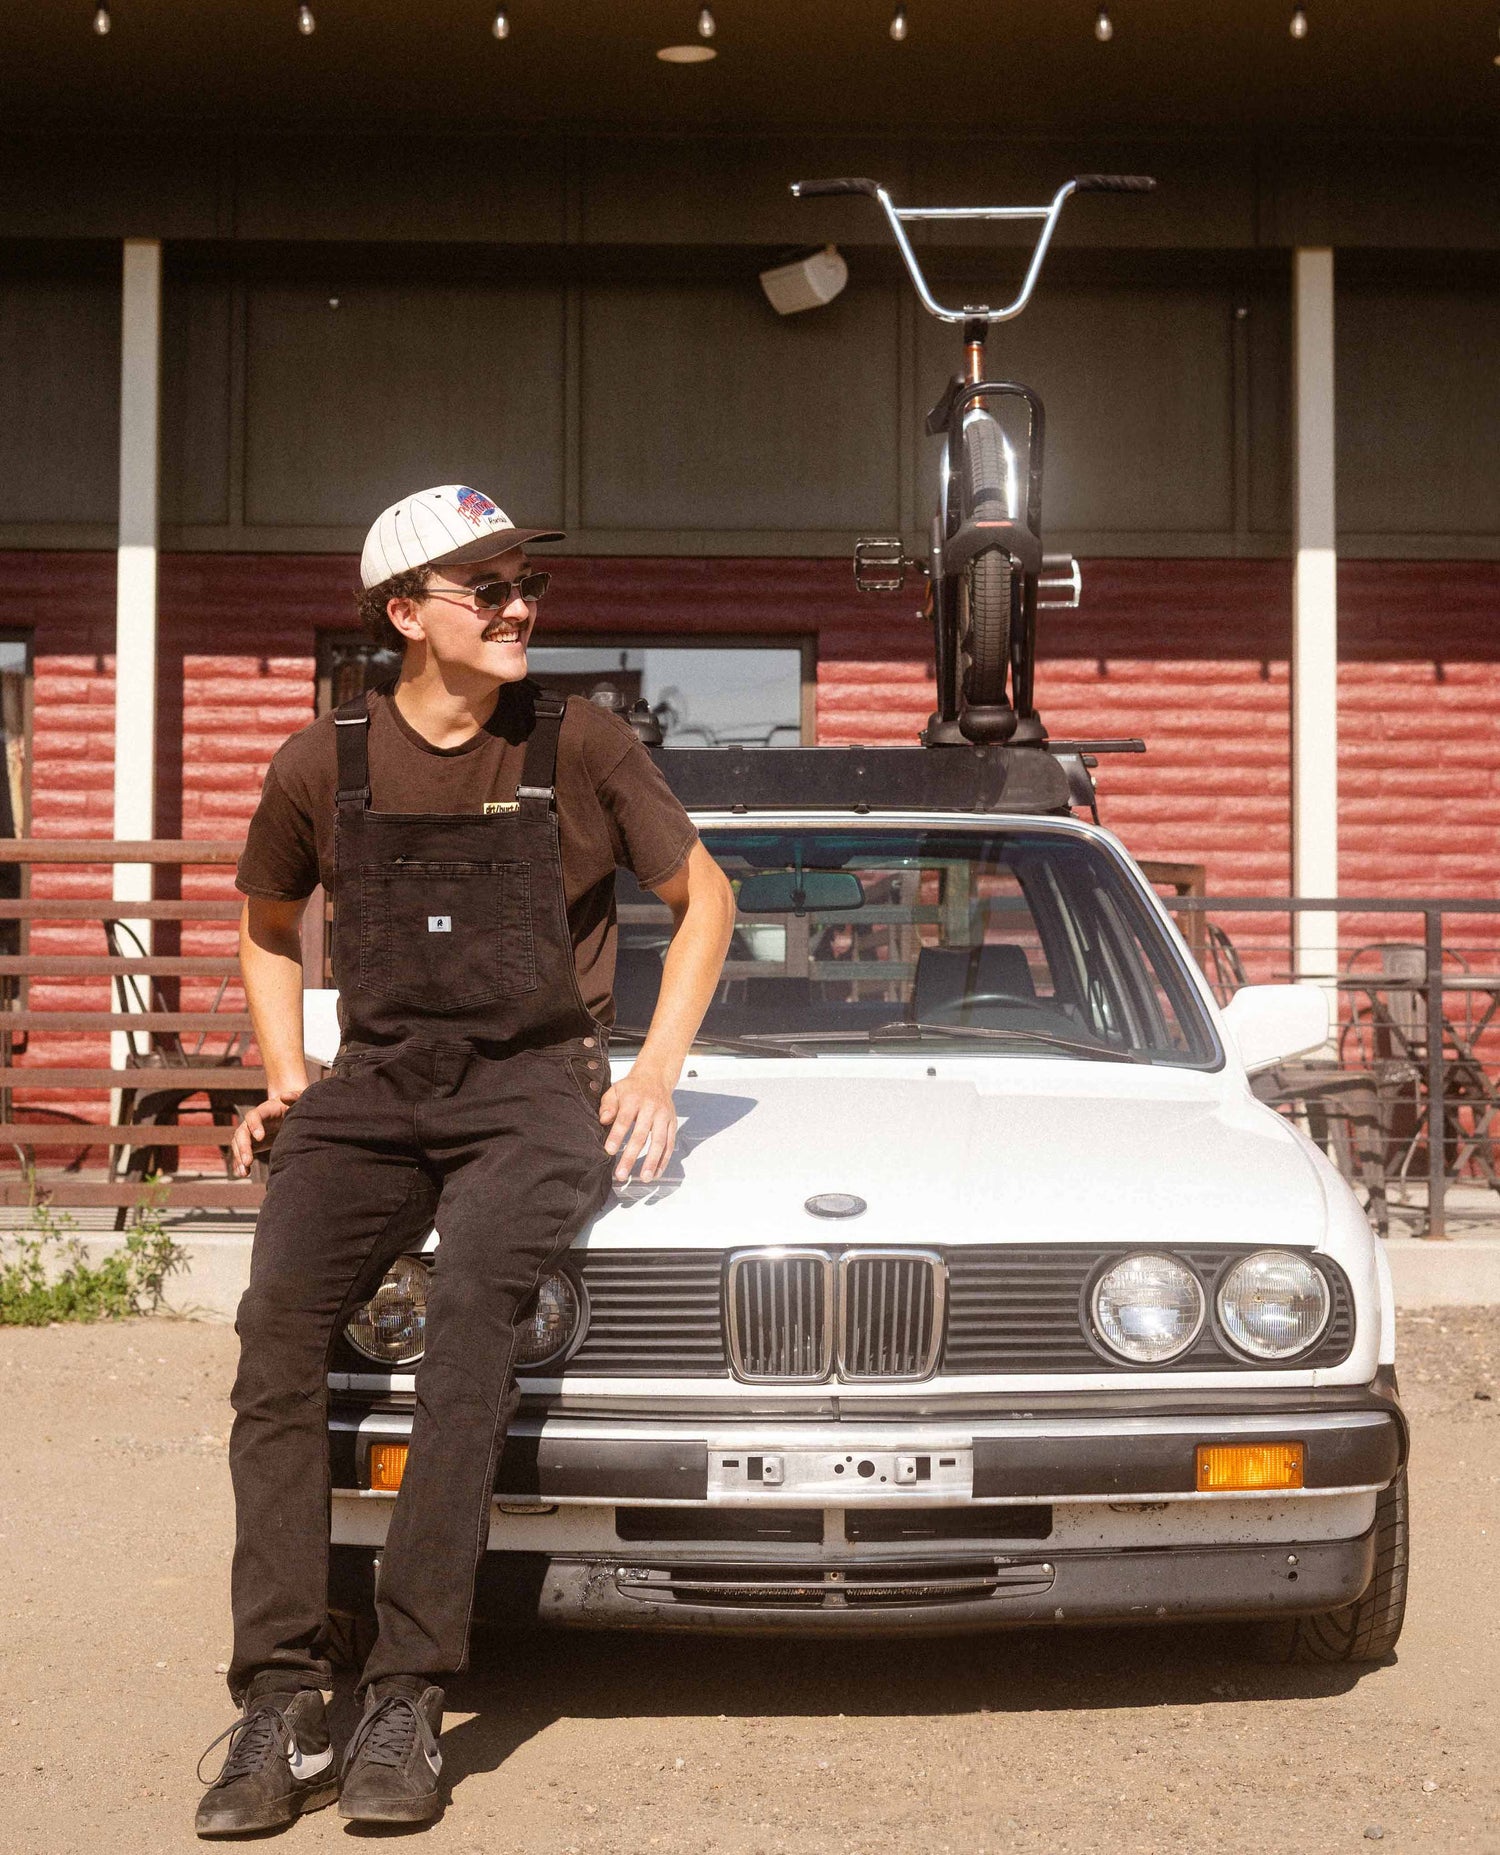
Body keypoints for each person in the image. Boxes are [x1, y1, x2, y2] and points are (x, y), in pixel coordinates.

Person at [194, 485, 734, 1836]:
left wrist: (657, 1066)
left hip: (532, 1090)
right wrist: (284, 1078)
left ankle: (404, 1693)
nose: (517, 609)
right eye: (483, 589)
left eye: (524, 587)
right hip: (375, 1088)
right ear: (404, 616)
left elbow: (704, 893)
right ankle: (277, 1693)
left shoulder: (582, 740)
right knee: (276, 1334)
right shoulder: (323, 764)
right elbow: (267, 925)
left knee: (475, 1316)